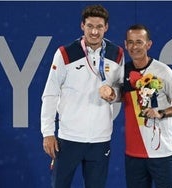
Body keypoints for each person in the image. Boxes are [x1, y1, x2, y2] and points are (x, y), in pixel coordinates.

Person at [40, 4, 124, 188]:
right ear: (82, 26)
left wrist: (113, 94)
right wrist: (47, 132)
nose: (94, 31)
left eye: (99, 27)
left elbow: (121, 91)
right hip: (68, 139)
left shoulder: (117, 54)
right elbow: (51, 94)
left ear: (106, 27)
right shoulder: (64, 53)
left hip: (100, 140)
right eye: (90, 26)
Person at [123, 24, 172, 188]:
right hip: (134, 154)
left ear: (148, 44)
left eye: (139, 42)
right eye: (130, 42)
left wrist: (161, 113)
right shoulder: (122, 72)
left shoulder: (163, 71)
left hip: (162, 153)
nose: (134, 47)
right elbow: (114, 96)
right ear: (125, 44)